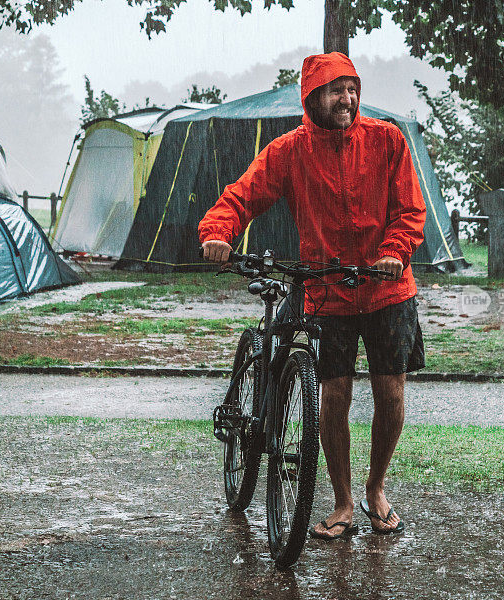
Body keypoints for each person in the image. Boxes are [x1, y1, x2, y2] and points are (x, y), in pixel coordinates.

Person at [199, 52, 426, 538]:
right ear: (313, 96)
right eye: (336, 89)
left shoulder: (387, 139)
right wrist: (219, 231)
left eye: (352, 88)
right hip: (328, 290)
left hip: (388, 288)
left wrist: (393, 251)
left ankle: (376, 489)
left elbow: (410, 210)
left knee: (390, 392)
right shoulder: (291, 150)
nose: (347, 98)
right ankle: (343, 501)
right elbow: (244, 193)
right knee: (334, 396)